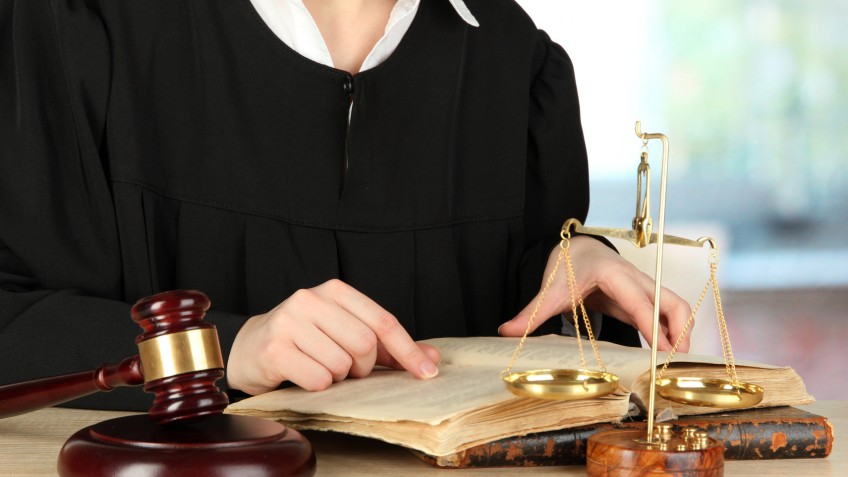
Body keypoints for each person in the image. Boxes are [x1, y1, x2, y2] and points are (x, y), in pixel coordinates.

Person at [0, 0, 691, 411]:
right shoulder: (82, 29)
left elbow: (519, 353)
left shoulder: (513, 63)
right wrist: (226, 350)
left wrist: (578, 264)